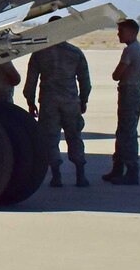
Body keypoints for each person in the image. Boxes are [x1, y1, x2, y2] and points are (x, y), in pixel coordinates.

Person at [25, 39, 92, 188]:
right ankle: (80, 175)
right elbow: (84, 79)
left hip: (49, 103)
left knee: (50, 139)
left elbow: (31, 80)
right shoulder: (75, 52)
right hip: (71, 102)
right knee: (74, 137)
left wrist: (30, 101)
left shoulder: (39, 53)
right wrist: (83, 99)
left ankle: (56, 176)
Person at [106, 19, 140, 184]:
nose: (118, 34)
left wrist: (119, 75)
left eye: (121, 31)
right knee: (124, 132)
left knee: (127, 134)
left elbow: (116, 75)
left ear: (131, 32)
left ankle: (131, 172)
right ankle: (118, 169)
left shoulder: (130, 51)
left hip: (129, 93)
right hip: (135, 91)